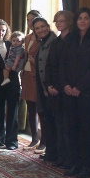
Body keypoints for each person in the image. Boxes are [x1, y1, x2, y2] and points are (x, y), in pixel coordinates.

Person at [62, 7, 90, 178]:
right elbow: (62, 64)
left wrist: (79, 87)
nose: (82, 21)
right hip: (68, 92)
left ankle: (86, 166)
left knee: (86, 130)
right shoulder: (70, 40)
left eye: (86, 18)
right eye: (80, 18)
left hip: (86, 93)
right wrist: (65, 84)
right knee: (71, 129)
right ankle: (74, 164)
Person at [46, 10, 74, 169]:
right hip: (54, 91)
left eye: (61, 21)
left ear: (69, 22)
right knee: (58, 125)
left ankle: (69, 160)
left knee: (67, 127)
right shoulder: (56, 41)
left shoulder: (73, 41)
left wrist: (59, 86)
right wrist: (49, 85)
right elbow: (50, 65)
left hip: (66, 91)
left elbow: (69, 68)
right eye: (56, 21)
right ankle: (61, 157)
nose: (58, 24)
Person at [0, 19, 20, 150]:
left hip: (12, 81)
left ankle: (12, 141)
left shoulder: (11, 43)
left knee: (13, 110)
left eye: (3, 30)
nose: (0, 32)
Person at [32, 17, 58, 163]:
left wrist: (50, 85)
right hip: (42, 88)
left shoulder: (54, 42)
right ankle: (50, 151)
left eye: (43, 26)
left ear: (48, 26)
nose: (41, 30)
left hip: (51, 88)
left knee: (53, 122)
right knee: (47, 121)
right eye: (37, 28)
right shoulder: (42, 43)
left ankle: (55, 153)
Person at [21, 10, 44, 151]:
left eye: (33, 19)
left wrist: (34, 61)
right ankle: (34, 138)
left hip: (38, 76)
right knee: (30, 107)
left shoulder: (43, 37)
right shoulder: (28, 37)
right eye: (28, 20)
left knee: (40, 108)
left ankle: (44, 140)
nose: (30, 22)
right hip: (27, 75)